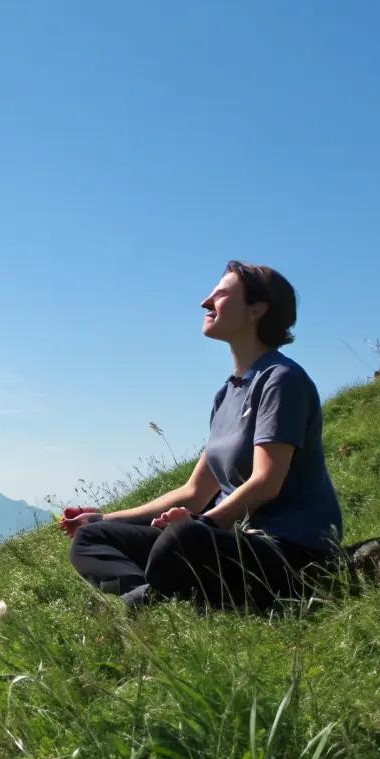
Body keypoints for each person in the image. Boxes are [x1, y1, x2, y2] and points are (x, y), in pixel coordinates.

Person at [61, 261, 343, 611]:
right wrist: (103, 518)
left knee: (184, 536)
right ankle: (148, 598)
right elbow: (194, 493)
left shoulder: (281, 380)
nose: (205, 302)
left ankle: (151, 599)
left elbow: (267, 482)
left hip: (287, 551)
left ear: (256, 310)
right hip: (226, 541)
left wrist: (205, 523)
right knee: (90, 538)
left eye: (220, 294)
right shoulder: (227, 395)